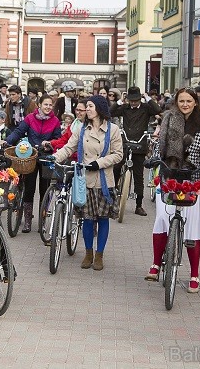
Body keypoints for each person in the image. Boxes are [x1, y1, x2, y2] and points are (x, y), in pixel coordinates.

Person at [145, 88, 200, 293]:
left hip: (194, 177)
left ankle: (194, 274)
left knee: (193, 227)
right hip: (169, 174)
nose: (185, 104)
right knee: (162, 220)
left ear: (195, 102)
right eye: (181, 101)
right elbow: (161, 144)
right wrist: (155, 158)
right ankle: (156, 264)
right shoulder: (168, 119)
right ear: (176, 102)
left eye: (189, 101)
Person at [52, 96, 123, 271]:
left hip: (104, 180)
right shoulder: (82, 129)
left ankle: (99, 254)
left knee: (103, 219)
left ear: (99, 108)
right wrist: (55, 157)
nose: (86, 109)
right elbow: (69, 147)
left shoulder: (113, 130)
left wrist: (98, 163)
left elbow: (118, 154)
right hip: (85, 180)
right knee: (88, 220)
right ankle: (88, 252)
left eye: (90, 106)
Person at [5, 94, 61, 232]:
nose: (48, 107)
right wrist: (7, 141)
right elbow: (19, 131)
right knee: (29, 188)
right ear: (39, 105)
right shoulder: (30, 118)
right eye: (45, 104)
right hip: (30, 155)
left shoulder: (55, 121)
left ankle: (42, 221)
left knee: (45, 188)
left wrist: (50, 144)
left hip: (46, 157)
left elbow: (58, 138)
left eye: (50, 105)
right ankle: (28, 221)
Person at [110, 86, 162, 216]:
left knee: (138, 176)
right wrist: (120, 101)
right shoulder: (125, 108)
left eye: (136, 100)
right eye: (131, 100)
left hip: (140, 146)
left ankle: (139, 206)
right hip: (125, 144)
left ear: (140, 98)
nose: (133, 103)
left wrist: (148, 98)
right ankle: (113, 196)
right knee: (116, 168)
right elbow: (110, 112)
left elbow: (158, 109)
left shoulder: (145, 108)